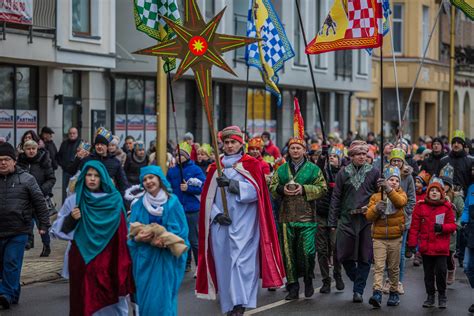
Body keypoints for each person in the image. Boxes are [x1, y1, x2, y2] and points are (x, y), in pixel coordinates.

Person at [196, 126, 285, 316]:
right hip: (222, 225)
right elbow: (207, 199)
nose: (229, 146)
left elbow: (258, 193)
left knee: (242, 264)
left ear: (240, 144)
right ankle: (229, 305)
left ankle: (241, 303)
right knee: (225, 265)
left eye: (233, 142)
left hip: (245, 225)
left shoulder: (251, 164)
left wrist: (233, 185)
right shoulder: (215, 167)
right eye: (226, 143)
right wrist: (216, 215)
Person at [56, 160, 134, 315]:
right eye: (89, 175)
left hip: (110, 259)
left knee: (112, 302)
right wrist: (71, 219)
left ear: (103, 178)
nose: (92, 179)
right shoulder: (75, 200)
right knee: (85, 301)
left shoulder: (115, 200)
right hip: (84, 260)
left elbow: (122, 234)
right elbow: (58, 230)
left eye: (96, 175)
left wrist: (122, 262)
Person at [270, 137, 327, 300]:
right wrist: (282, 189)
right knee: (288, 254)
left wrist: (303, 189)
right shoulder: (281, 169)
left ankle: (308, 279)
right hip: (286, 218)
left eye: (298, 148)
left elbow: (322, 189)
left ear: (304, 150)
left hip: (307, 218)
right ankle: (293, 287)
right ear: (289, 150)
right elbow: (272, 187)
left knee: (307, 252)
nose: (295, 150)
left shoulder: (313, 169)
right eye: (292, 148)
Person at [128, 165, 189, 315]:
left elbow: (182, 232)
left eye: (151, 177)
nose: (148, 181)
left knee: (164, 303)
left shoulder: (173, 202)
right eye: (145, 179)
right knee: (147, 302)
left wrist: (163, 240)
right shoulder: (138, 205)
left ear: (159, 179)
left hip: (165, 261)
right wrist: (138, 238)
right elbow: (129, 237)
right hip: (144, 261)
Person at [0, 142, 50, 310]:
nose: (3, 163)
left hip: (18, 231)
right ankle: (12, 293)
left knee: (11, 262)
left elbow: (40, 203)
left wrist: (44, 224)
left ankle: (5, 294)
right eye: (0, 160)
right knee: (3, 265)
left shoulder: (27, 179)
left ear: (14, 161)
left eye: (7, 159)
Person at [328, 140, 380, 303]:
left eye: (364, 154)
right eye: (358, 154)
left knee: (365, 256)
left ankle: (358, 291)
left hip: (366, 220)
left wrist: (382, 194)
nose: (362, 157)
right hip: (346, 218)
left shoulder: (374, 172)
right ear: (351, 156)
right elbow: (336, 197)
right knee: (343, 254)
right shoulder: (343, 173)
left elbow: (379, 196)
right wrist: (332, 221)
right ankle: (358, 279)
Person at [406, 180, 456, 309]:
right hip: (426, 246)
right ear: (428, 193)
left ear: (441, 194)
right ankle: (430, 296)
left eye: (437, 191)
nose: (434, 192)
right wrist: (411, 243)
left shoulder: (447, 207)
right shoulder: (420, 206)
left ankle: (442, 296)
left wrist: (442, 228)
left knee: (441, 272)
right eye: (431, 190)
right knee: (428, 273)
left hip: (441, 247)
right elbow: (415, 227)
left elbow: (452, 225)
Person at [366, 167, 407, 308]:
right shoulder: (376, 196)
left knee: (393, 267)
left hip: (395, 237)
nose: (394, 182)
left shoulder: (401, 194)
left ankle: (393, 292)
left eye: (396, 180)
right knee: (379, 266)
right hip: (379, 238)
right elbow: (369, 217)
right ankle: (377, 292)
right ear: (384, 181)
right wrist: (376, 208)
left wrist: (389, 190)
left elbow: (400, 203)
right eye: (391, 180)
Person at [167, 143, 205, 273]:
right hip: (177, 209)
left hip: (192, 209)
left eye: (180, 155)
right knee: (181, 237)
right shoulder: (172, 171)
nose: (178, 157)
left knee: (193, 238)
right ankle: (186, 263)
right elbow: (168, 187)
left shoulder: (196, 170)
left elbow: (203, 187)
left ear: (187, 156)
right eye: (176, 155)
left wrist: (188, 188)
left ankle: (200, 265)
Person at [384, 148, 416, 294]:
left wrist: (404, 214)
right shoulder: (385, 175)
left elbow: (412, 199)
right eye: (394, 160)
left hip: (401, 221)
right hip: (385, 219)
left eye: (399, 161)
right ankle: (387, 279)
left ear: (403, 162)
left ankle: (398, 281)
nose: (396, 163)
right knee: (385, 252)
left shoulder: (407, 177)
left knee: (400, 253)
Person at [17, 140, 56, 256]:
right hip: (25, 199)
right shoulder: (20, 163)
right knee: (25, 223)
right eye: (28, 149)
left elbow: (51, 179)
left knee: (42, 224)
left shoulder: (44, 161)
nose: (31, 151)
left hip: (40, 199)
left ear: (37, 149)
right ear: (24, 150)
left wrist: (41, 191)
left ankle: (46, 245)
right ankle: (27, 243)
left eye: (33, 148)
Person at [315, 147, 345, 294]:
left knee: (335, 247)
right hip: (321, 214)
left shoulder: (344, 173)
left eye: (335, 156)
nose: (332, 158)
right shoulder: (322, 172)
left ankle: (337, 274)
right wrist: (322, 156)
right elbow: (317, 168)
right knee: (321, 249)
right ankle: (326, 280)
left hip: (336, 216)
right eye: (330, 156)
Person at [66, 128, 129, 195]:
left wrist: (121, 200)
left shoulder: (115, 162)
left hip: (106, 199)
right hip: (89, 197)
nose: (99, 146)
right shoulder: (87, 159)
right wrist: (78, 158)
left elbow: (123, 184)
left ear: (107, 146)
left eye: (102, 144)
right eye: (97, 144)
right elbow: (71, 171)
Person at [439, 164, 464, 285]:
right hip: (438, 229)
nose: (443, 187)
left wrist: (457, 225)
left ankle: (451, 269)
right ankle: (440, 277)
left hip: (451, 230)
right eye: (441, 184)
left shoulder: (456, 197)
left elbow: (462, 213)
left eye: (446, 184)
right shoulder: (436, 195)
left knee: (448, 254)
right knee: (439, 257)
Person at [438, 130, 474, 195]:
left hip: (466, 197)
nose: (456, 144)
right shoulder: (443, 160)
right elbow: (438, 179)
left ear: (463, 145)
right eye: (454, 142)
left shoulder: (471, 160)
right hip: (447, 197)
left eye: (459, 142)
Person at [57, 127, 81, 202]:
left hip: (77, 172)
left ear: (77, 134)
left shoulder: (81, 143)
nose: (72, 135)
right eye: (70, 133)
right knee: (66, 191)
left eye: (74, 133)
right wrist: (63, 165)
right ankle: (66, 209)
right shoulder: (64, 143)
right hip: (66, 171)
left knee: (77, 191)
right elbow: (59, 156)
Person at [461, 183, 474, 313]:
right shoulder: (471, 187)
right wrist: (463, 221)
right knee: (468, 267)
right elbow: (466, 208)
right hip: (471, 231)